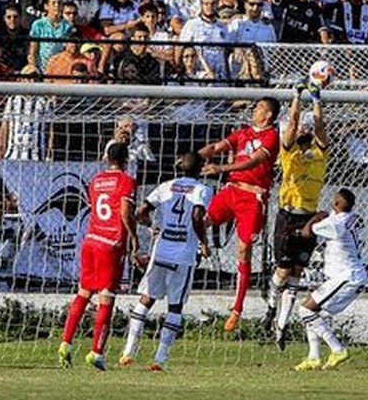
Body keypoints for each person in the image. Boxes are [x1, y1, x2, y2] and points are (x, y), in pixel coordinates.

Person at [119, 152, 212, 371]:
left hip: (161, 250)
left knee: (146, 299)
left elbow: (140, 212)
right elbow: (197, 217)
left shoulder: (165, 186)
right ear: (200, 168)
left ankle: (128, 351)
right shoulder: (203, 190)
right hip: (183, 254)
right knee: (175, 305)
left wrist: (152, 226)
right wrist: (204, 242)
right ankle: (160, 358)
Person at [197, 96, 281, 332]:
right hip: (231, 191)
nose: (255, 110)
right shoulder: (243, 133)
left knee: (243, 250)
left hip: (252, 197)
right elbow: (215, 147)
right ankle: (201, 246)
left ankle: (237, 309)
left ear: (269, 115)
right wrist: (194, 157)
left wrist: (221, 168)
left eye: (260, 108)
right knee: (200, 222)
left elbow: (255, 162)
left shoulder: (272, 136)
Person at [57, 142, 138, 371]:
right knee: (106, 298)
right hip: (110, 245)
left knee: (83, 293)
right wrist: (134, 236)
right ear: (127, 159)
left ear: (106, 159)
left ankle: (66, 343)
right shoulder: (127, 181)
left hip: (91, 241)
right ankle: (96, 352)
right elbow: (124, 212)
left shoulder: (95, 181)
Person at [263, 84, 328, 349]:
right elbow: (291, 122)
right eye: (302, 128)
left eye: (307, 128)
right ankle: (270, 307)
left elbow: (321, 126)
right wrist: (297, 96)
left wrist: (317, 100)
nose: (303, 129)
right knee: (282, 271)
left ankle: (281, 326)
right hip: (288, 216)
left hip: (308, 218)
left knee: (297, 274)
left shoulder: (319, 156)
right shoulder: (289, 154)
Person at [292, 188, 366, 372]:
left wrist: (316, 216)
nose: (332, 202)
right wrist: (326, 215)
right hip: (349, 276)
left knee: (305, 310)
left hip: (347, 277)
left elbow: (307, 233)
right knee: (313, 315)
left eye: (334, 200)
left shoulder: (336, 226)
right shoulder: (350, 217)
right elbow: (334, 215)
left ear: (338, 204)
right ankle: (314, 357)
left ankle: (338, 349)